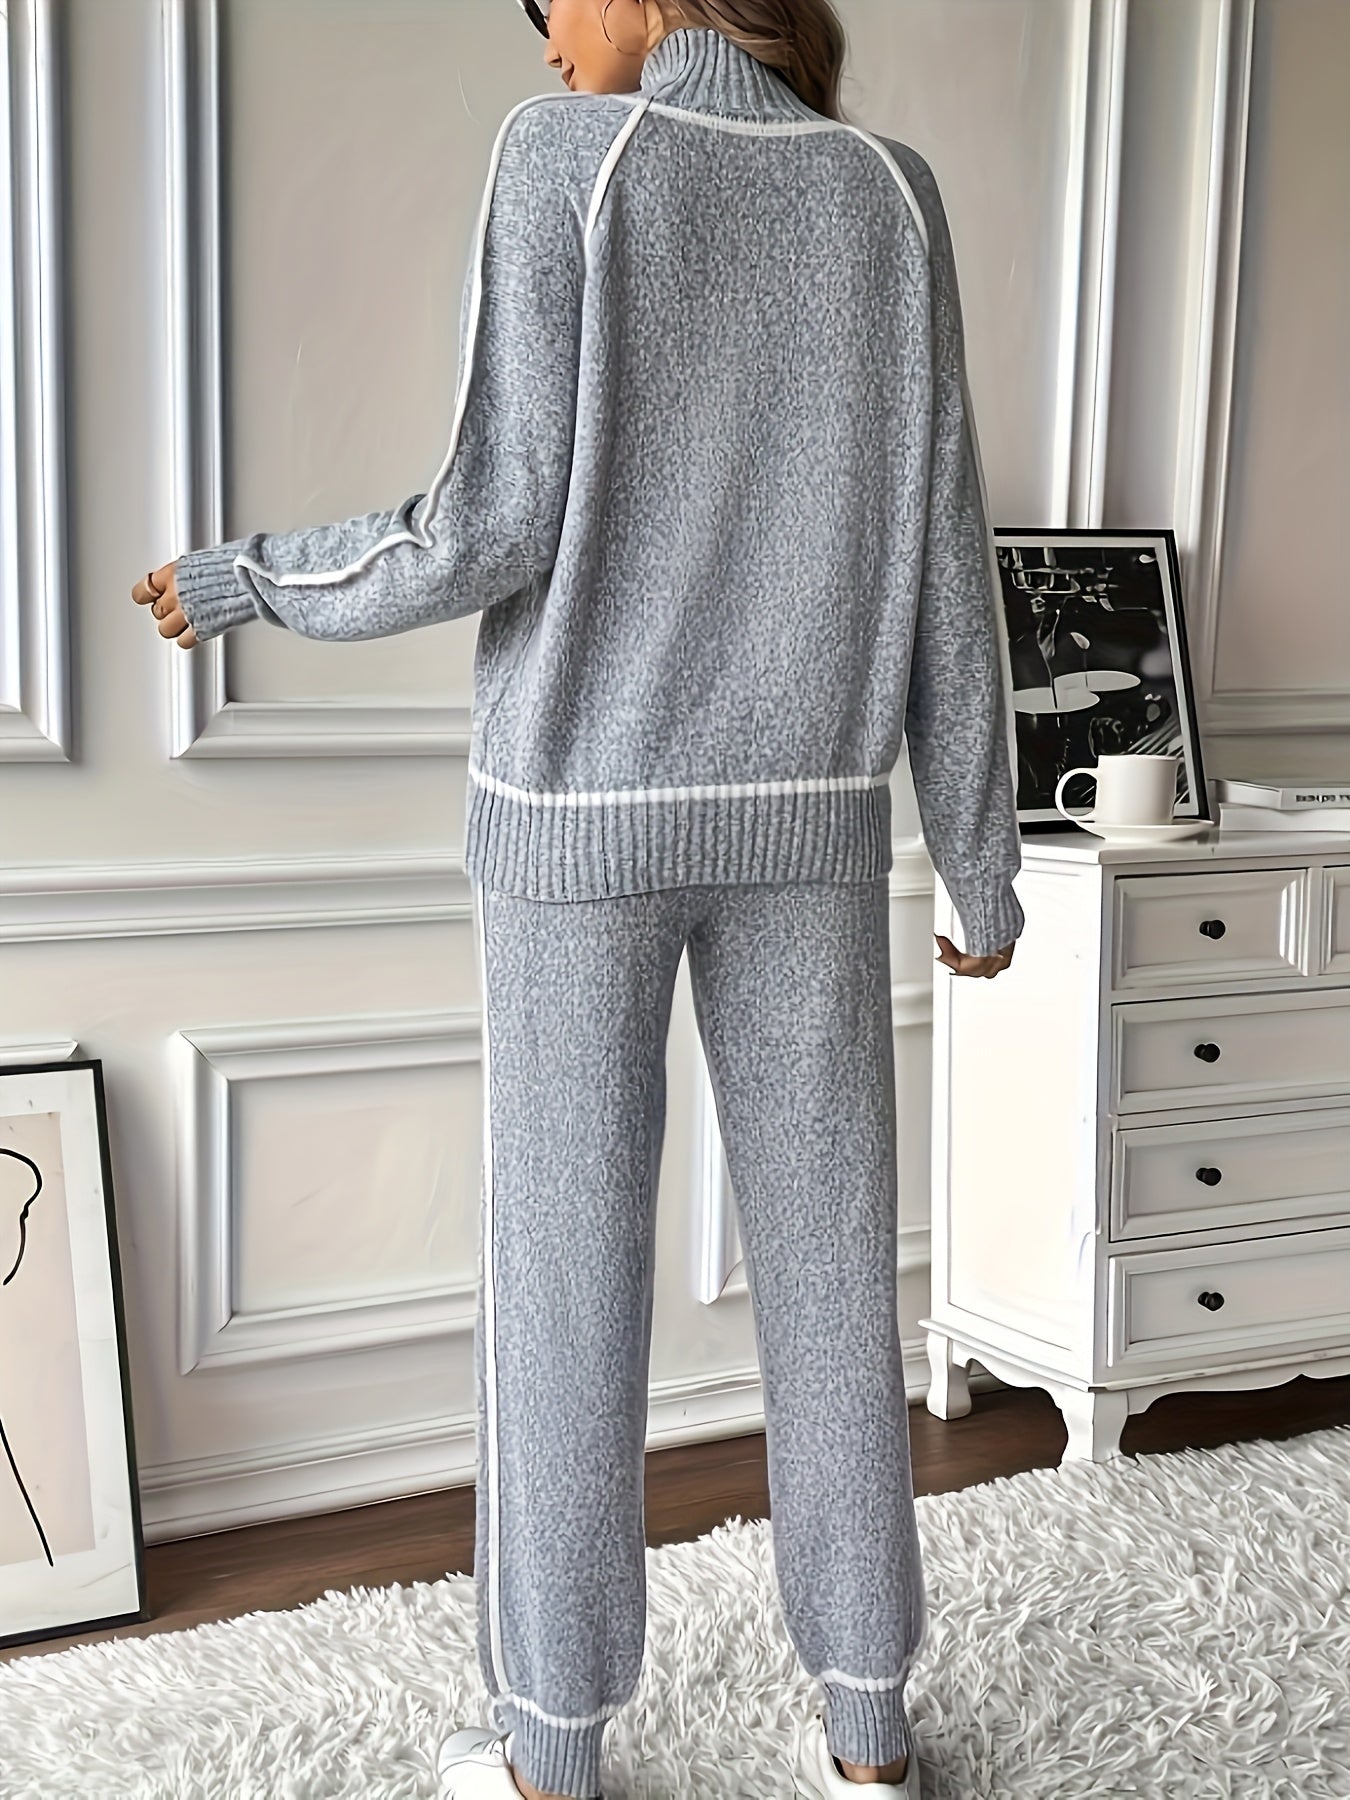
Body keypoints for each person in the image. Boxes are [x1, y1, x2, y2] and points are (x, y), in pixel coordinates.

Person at [131, 1, 1023, 1795]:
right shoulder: (888, 193)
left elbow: (484, 521)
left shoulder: (569, 162)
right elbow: (945, 551)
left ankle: (551, 1751)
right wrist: (978, 855)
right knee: (834, 1285)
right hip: (810, 831)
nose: (543, 40)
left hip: (574, 832)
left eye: (551, 4)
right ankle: (867, 1738)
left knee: (565, 1292)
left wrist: (252, 579)